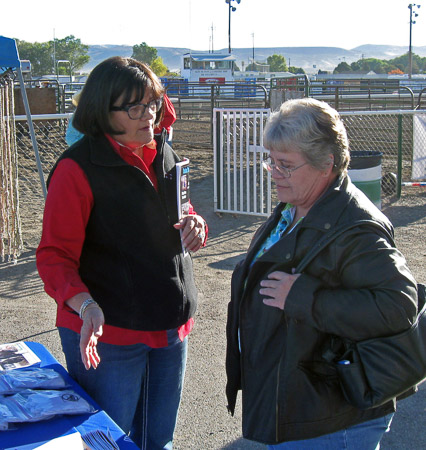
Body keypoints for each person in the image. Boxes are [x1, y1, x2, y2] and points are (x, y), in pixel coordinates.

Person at [225, 98, 418, 449]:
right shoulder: (297, 206)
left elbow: (398, 305)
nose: (273, 173)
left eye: (285, 165)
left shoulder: (356, 227)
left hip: (331, 419)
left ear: (325, 163)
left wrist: (302, 296)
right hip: (299, 404)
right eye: (271, 160)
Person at [36, 56, 207, 450]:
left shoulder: (162, 151)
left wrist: (196, 223)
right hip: (108, 335)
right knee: (107, 443)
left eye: (153, 103)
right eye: (135, 107)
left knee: (157, 441)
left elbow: (180, 209)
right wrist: (86, 306)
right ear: (103, 111)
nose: (148, 115)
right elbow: (53, 257)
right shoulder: (76, 170)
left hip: (170, 326)